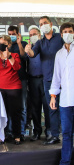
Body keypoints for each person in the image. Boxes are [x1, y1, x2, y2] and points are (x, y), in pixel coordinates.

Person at [25, 16, 64, 145]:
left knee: (67, 106)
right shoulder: (40, 43)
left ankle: (66, 132)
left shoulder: (60, 37)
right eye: (41, 24)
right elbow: (32, 54)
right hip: (48, 80)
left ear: (51, 24)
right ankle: (54, 135)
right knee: (51, 107)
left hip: (64, 79)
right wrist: (28, 50)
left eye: (45, 23)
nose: (43, 25)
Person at [49, 22, 74, 165]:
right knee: (66, 133)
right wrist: (53, 96)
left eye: (70, 31)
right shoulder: (59, 54)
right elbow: (56, 77)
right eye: (65, 31)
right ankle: (65, 162)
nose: (67, 34)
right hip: (65, 100)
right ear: (61, 34)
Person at [27, 27, 50, 141]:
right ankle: (36, 132)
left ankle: (49, 131)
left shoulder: (45, 45)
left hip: (45, 79)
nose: (32, 36)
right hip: (32, 80)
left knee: (47, 107)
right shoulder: (29, 48)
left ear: (40, 35)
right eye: (30, 35)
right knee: (35, 108)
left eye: (34, 34)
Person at [7, 25, 28, 141]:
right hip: (10, 81)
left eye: (13, 34)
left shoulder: (23, 44)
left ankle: (22, 132)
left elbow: (23, 57)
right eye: (9, 34)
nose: (11, 36)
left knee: (23, 107)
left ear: (18, 34)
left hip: (22, 78)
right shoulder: (7, 46)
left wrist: (19, 44)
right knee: (11, 108)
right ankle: (11, 132)